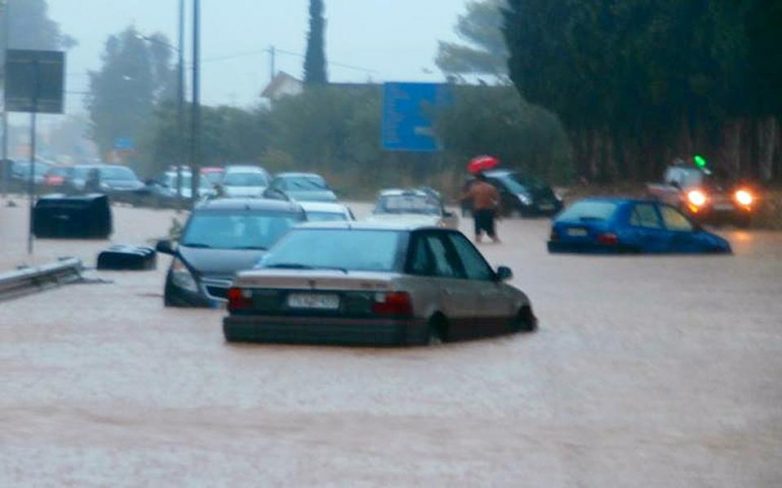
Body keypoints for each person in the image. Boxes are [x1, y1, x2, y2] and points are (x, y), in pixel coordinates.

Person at [462, 172, 501, 243]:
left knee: (478, 231)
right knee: (491, 231)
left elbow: (467, 197)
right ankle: (496, 240)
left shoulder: (475, 188)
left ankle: (479, 240)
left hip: (478, 211)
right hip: (489, 211)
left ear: (478, 179)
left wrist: (457, 199)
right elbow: (497, 200)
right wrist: (498, 212)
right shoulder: (491, 188)